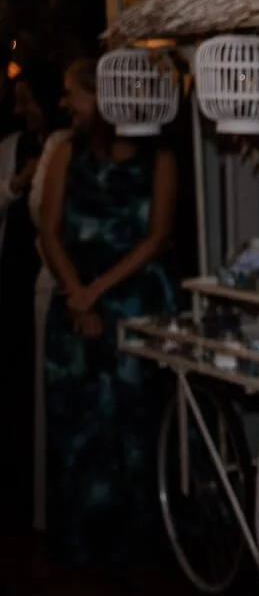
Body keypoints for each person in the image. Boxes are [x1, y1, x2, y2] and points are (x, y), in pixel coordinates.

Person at [39, 56, 177, 566]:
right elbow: (49, 232)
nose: (64, 104)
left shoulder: (159, 157)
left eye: (72, 94)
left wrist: (95, 292)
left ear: (102, 97)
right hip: (74, 302)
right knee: (79, 425)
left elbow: (158, 237)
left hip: (135, 302)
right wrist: (77, 295)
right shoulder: (65, 153)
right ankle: (83, 544)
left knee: (136, 425)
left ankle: (141, 545)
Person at [0, 62, 65, 525]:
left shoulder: (63, 145)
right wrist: (13, 184)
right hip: (13, 271)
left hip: (46, 272)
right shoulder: (9, 147)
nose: (22, 108)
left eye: (28, 98)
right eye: (17, 99)